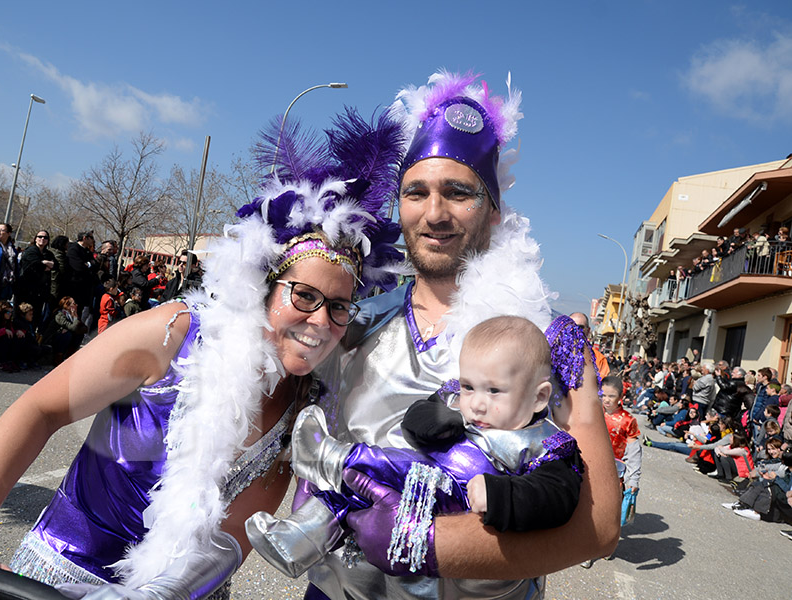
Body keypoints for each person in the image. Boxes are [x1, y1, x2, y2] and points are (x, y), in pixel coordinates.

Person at [0, 109, 406, 600]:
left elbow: (232, 535)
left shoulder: (305, 402)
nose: (321, 322)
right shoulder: (173, 332)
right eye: (304, 296)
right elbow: (41, 408)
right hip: (60, 577)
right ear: (263, 287)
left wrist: (158, 594)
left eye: (339, 307)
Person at [298, 71, 620, 600]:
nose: (434, 213)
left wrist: (426, 542)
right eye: (416, 192)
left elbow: (600, 527)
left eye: (458, 192)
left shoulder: (547, 340)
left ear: (493, 211)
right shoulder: (351, 323)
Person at [247, 315, 584, 579]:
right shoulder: (459, 403)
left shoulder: (544, 443)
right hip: (420, 476)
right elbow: (418, 418)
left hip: (450, 492)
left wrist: (501, 496)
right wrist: (441, 421)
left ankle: (333, 456)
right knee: (348, 495)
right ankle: (299, 539)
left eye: (495, 391)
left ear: (539, 397)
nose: (477, 404)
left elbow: (558, 494)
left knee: (385, 464)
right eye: (469, 386)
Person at [581, 375, 641, 568]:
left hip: (615, 473)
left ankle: (606, 544)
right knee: (589, 509)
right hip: (590, 467)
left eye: (611, 396)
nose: (606, 399)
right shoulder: (592, 412)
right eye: (603, 394)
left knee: (608, 512)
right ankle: (588, 549)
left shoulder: (628, 421)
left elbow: (634, 452)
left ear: (620, 397)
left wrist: (633, 479)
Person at [16, 230, 57, 328]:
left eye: (45, 237)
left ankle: (31, 337)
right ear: (35, 238)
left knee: (35, 315)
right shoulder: (30, 250)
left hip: (40, 291)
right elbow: (32, 265)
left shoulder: (49, 253)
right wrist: (44, 264)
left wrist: (43, 262)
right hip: (26, 289)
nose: (42, 239)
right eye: (40, 237)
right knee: (22, 314)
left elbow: (56, 265)